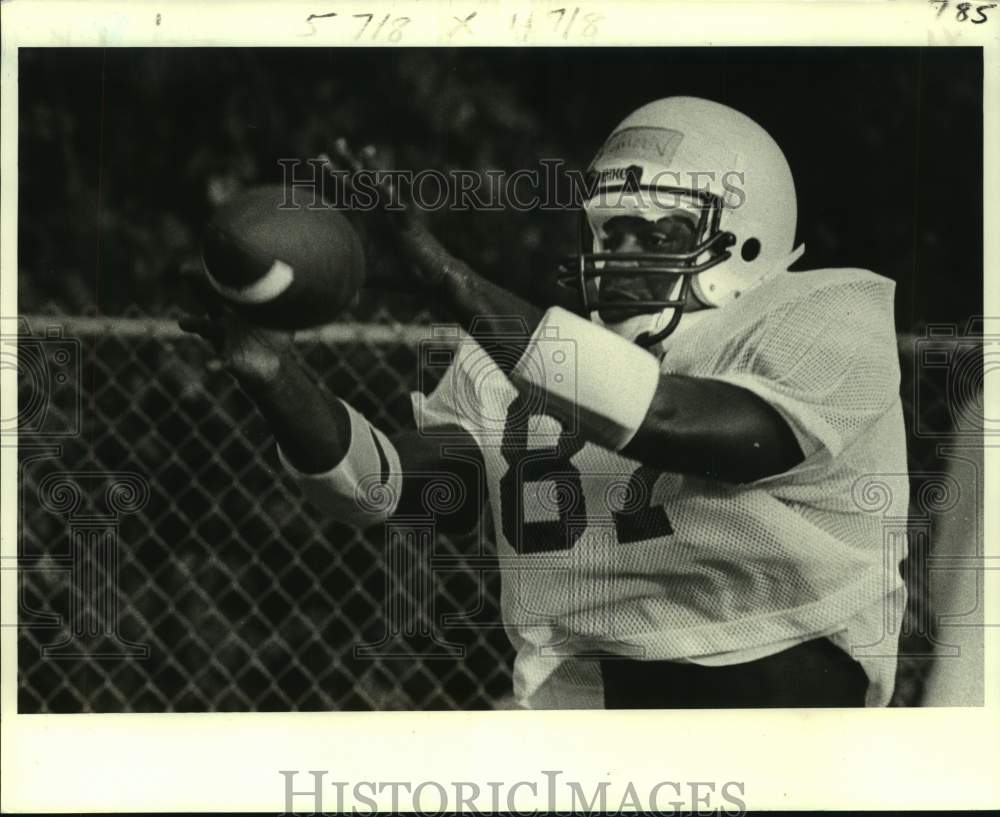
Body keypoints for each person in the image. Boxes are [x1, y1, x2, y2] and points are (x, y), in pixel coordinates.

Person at [182, 97, 908, 708]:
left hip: (782, 734)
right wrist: (274, 375)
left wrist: (450, 281)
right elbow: (390, 489)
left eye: (659, 230)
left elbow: (671, 418)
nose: (623, 249)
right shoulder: (520, 364)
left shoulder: (823, 315)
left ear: (747, 236)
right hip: (581, 718)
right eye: (611, 228)